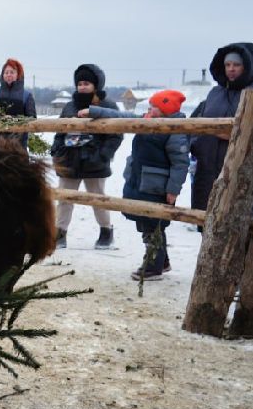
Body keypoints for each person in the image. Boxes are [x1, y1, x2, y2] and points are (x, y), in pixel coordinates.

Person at [79, 90, 189, 280]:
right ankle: (162, 261)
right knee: (143, 221)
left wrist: (173, 190)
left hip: (156, 186)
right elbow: (120, 116)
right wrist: (94, 111)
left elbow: (180, 163)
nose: (149, 109)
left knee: (153, 224)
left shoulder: (175, 130)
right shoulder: (145, 120)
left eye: (154, 106)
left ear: (166, 110)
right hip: (139, 180)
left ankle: (153, 266)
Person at [190, 42, 253, 212]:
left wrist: (235, 136)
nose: (231, 69)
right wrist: (196, 145)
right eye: (227, 65)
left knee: (238, 222)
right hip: (207, 170)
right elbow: (196, 123)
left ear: (248, 65)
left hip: (243, 171)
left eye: (237, 64)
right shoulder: (215, 93)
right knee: (206, 220)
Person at [50, 64, 122, 249]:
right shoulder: (70, 106)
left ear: (96, 85)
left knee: (97, 199)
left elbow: (116, 134)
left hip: (94, 161)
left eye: (86, 83)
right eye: (79, 83)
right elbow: (60, 131)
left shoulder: (107, 106)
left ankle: (106, 231)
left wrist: (103, 155)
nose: (82, 87)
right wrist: (57, 151)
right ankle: (60, 233)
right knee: (65, 198)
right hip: (69, 159)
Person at [0, 58, 37, 149]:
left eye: (12, 72)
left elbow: (32, 119)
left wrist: (13, 120)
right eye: (6, 72)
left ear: (18, 74)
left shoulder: (26, 96)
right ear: (2, 75)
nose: (9, 75)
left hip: (18, 147)